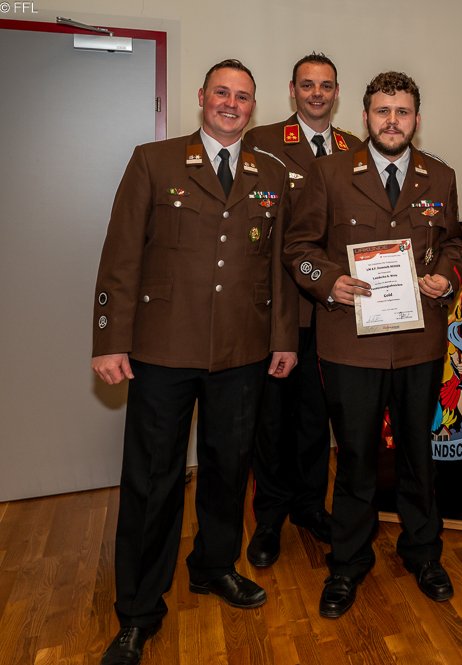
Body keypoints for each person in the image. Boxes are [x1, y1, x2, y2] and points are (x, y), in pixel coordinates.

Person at [91, 59, 297, 665]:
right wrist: (109, 339)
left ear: (253, 106)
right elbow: (120, 256)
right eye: (222, 93)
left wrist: (283, 338)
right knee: (153, 480)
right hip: (163, 348)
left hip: (242, 349)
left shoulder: (270, 173)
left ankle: (214, 566)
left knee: (229, 469)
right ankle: (138, 610)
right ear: (202, 96)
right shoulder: (154, 162)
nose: (231, 104)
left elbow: (278, 267)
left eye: (243, 97)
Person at [283, 71, 462, 618]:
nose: (392, 121)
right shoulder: (330, 172)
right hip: (350, 344)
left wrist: (447, 275)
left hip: (418, 342)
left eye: (402, 112)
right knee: (356, 456)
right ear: (365, 116)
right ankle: (347, 562)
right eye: (383, 111)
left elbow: (454, 243)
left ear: (416, 119)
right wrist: (327, 281)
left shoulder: (440, 176)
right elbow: (299, 247)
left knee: (417, 453)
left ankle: (423, 552)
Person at [242, 53, 362, 568]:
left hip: (334, 310)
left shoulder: (355, 149)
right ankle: (269, 518)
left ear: (337, 92)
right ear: (292, 90)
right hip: (280, 309)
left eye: (326, 85)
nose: (317, 94)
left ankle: (311, 506)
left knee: (317, 418)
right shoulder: (262, 142)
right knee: (271, 421)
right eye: (307, 85)